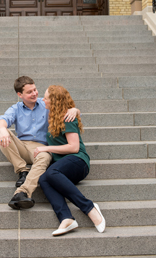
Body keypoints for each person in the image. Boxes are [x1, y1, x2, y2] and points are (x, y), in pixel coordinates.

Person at [0, 76, 79, 210]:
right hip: (22, 146)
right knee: (1, 133)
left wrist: (75, 110)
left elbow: (65, 107)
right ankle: (22, 170)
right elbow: (3, 120)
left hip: (41, 147)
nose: (34, 94)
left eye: (35, 90)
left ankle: (22, 193)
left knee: (45, 156)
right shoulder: (16, 108)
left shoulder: (46, 103)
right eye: (29, 92)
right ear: (20, 94)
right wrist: (3, 129)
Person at [35, 85, 106, 236]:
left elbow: (74, 147)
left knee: (51, 173)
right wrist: (77, 109)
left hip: (78, 161)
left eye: (46, 98)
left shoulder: (67, 117)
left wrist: (46, 149)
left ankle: (90, 208)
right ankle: (66, 218)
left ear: (54, 101)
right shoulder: (54, 115)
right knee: (44, 179)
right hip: (62, 165)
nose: (43, 100)